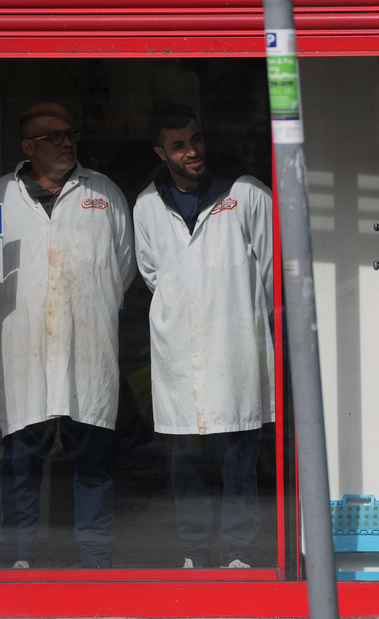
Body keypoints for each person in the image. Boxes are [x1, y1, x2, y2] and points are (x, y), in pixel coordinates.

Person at [0, 102, 136, 569]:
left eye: (70, 132)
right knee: (23, 460)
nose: (67, 141)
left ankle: (95, 559)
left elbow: (123, 268)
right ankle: (20, 556)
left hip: (88, 348)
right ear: (29, 147)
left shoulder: (103, 193)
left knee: (93, 463)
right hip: (24, 346)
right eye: (54, 136)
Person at [133, 103, 274, 569]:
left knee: (238, 458)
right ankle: (194, 552)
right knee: (186, 461)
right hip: (180, 356)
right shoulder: (147, 206)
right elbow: (153, 274)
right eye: (178, 145)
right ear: (161, 152)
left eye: (195, 139)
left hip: (236, 349)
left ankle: (240, 553)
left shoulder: (247, 195)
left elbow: (273, 274)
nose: (191, 151)